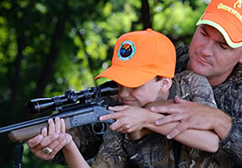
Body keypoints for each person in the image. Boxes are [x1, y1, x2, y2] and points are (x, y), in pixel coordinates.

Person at [27, 29, 219, 167]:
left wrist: (148, 119)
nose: (123, 94)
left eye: (134, 84)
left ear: (164, 83)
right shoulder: (122, 115)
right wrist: (67, 143)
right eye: (119, 83)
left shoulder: (191, 85)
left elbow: (211, 141)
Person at [144, 0, 242, 167]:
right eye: (204, 34)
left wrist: (220, 121)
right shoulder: (160, 63)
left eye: (222, 46)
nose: (205, 50)